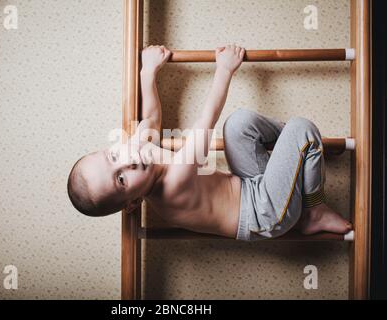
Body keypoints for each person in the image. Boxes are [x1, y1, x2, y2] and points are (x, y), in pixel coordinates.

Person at [67, 44, 352, 240]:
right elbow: (206, 121)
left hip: (250, 183)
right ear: (132, 203)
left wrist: (148, 72)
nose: (127, 162)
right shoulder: (172, 187)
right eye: (121, 180)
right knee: (301, 129)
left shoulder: (140, 151)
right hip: (264, 214)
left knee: (239, 123)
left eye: (113, 157)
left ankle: (305, 157)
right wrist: (225, 69)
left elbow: (151, 118)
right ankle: (313, 211)